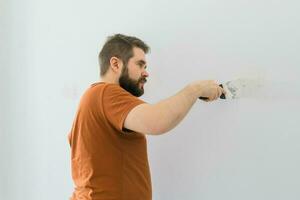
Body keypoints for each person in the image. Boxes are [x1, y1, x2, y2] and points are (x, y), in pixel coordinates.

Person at [68, 33, 225, 200]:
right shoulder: (105, 93)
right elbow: (158, 121)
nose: (146, 73)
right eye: (140, 65)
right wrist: (196, 89)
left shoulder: (94, 99)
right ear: (115, 64)